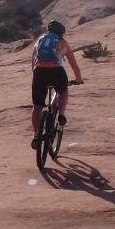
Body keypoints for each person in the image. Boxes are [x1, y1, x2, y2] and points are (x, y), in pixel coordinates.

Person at [30, 20, 83, 149]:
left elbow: (33, 63)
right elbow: (73, 65)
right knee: (63, 91)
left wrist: (38, 76)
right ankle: (62, 114)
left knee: (37, 106)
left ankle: (36, 136)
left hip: (39, 72)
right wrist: (78, 79)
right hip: (56, 71)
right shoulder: (63, 44)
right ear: (61, 33)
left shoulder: (39, 42)